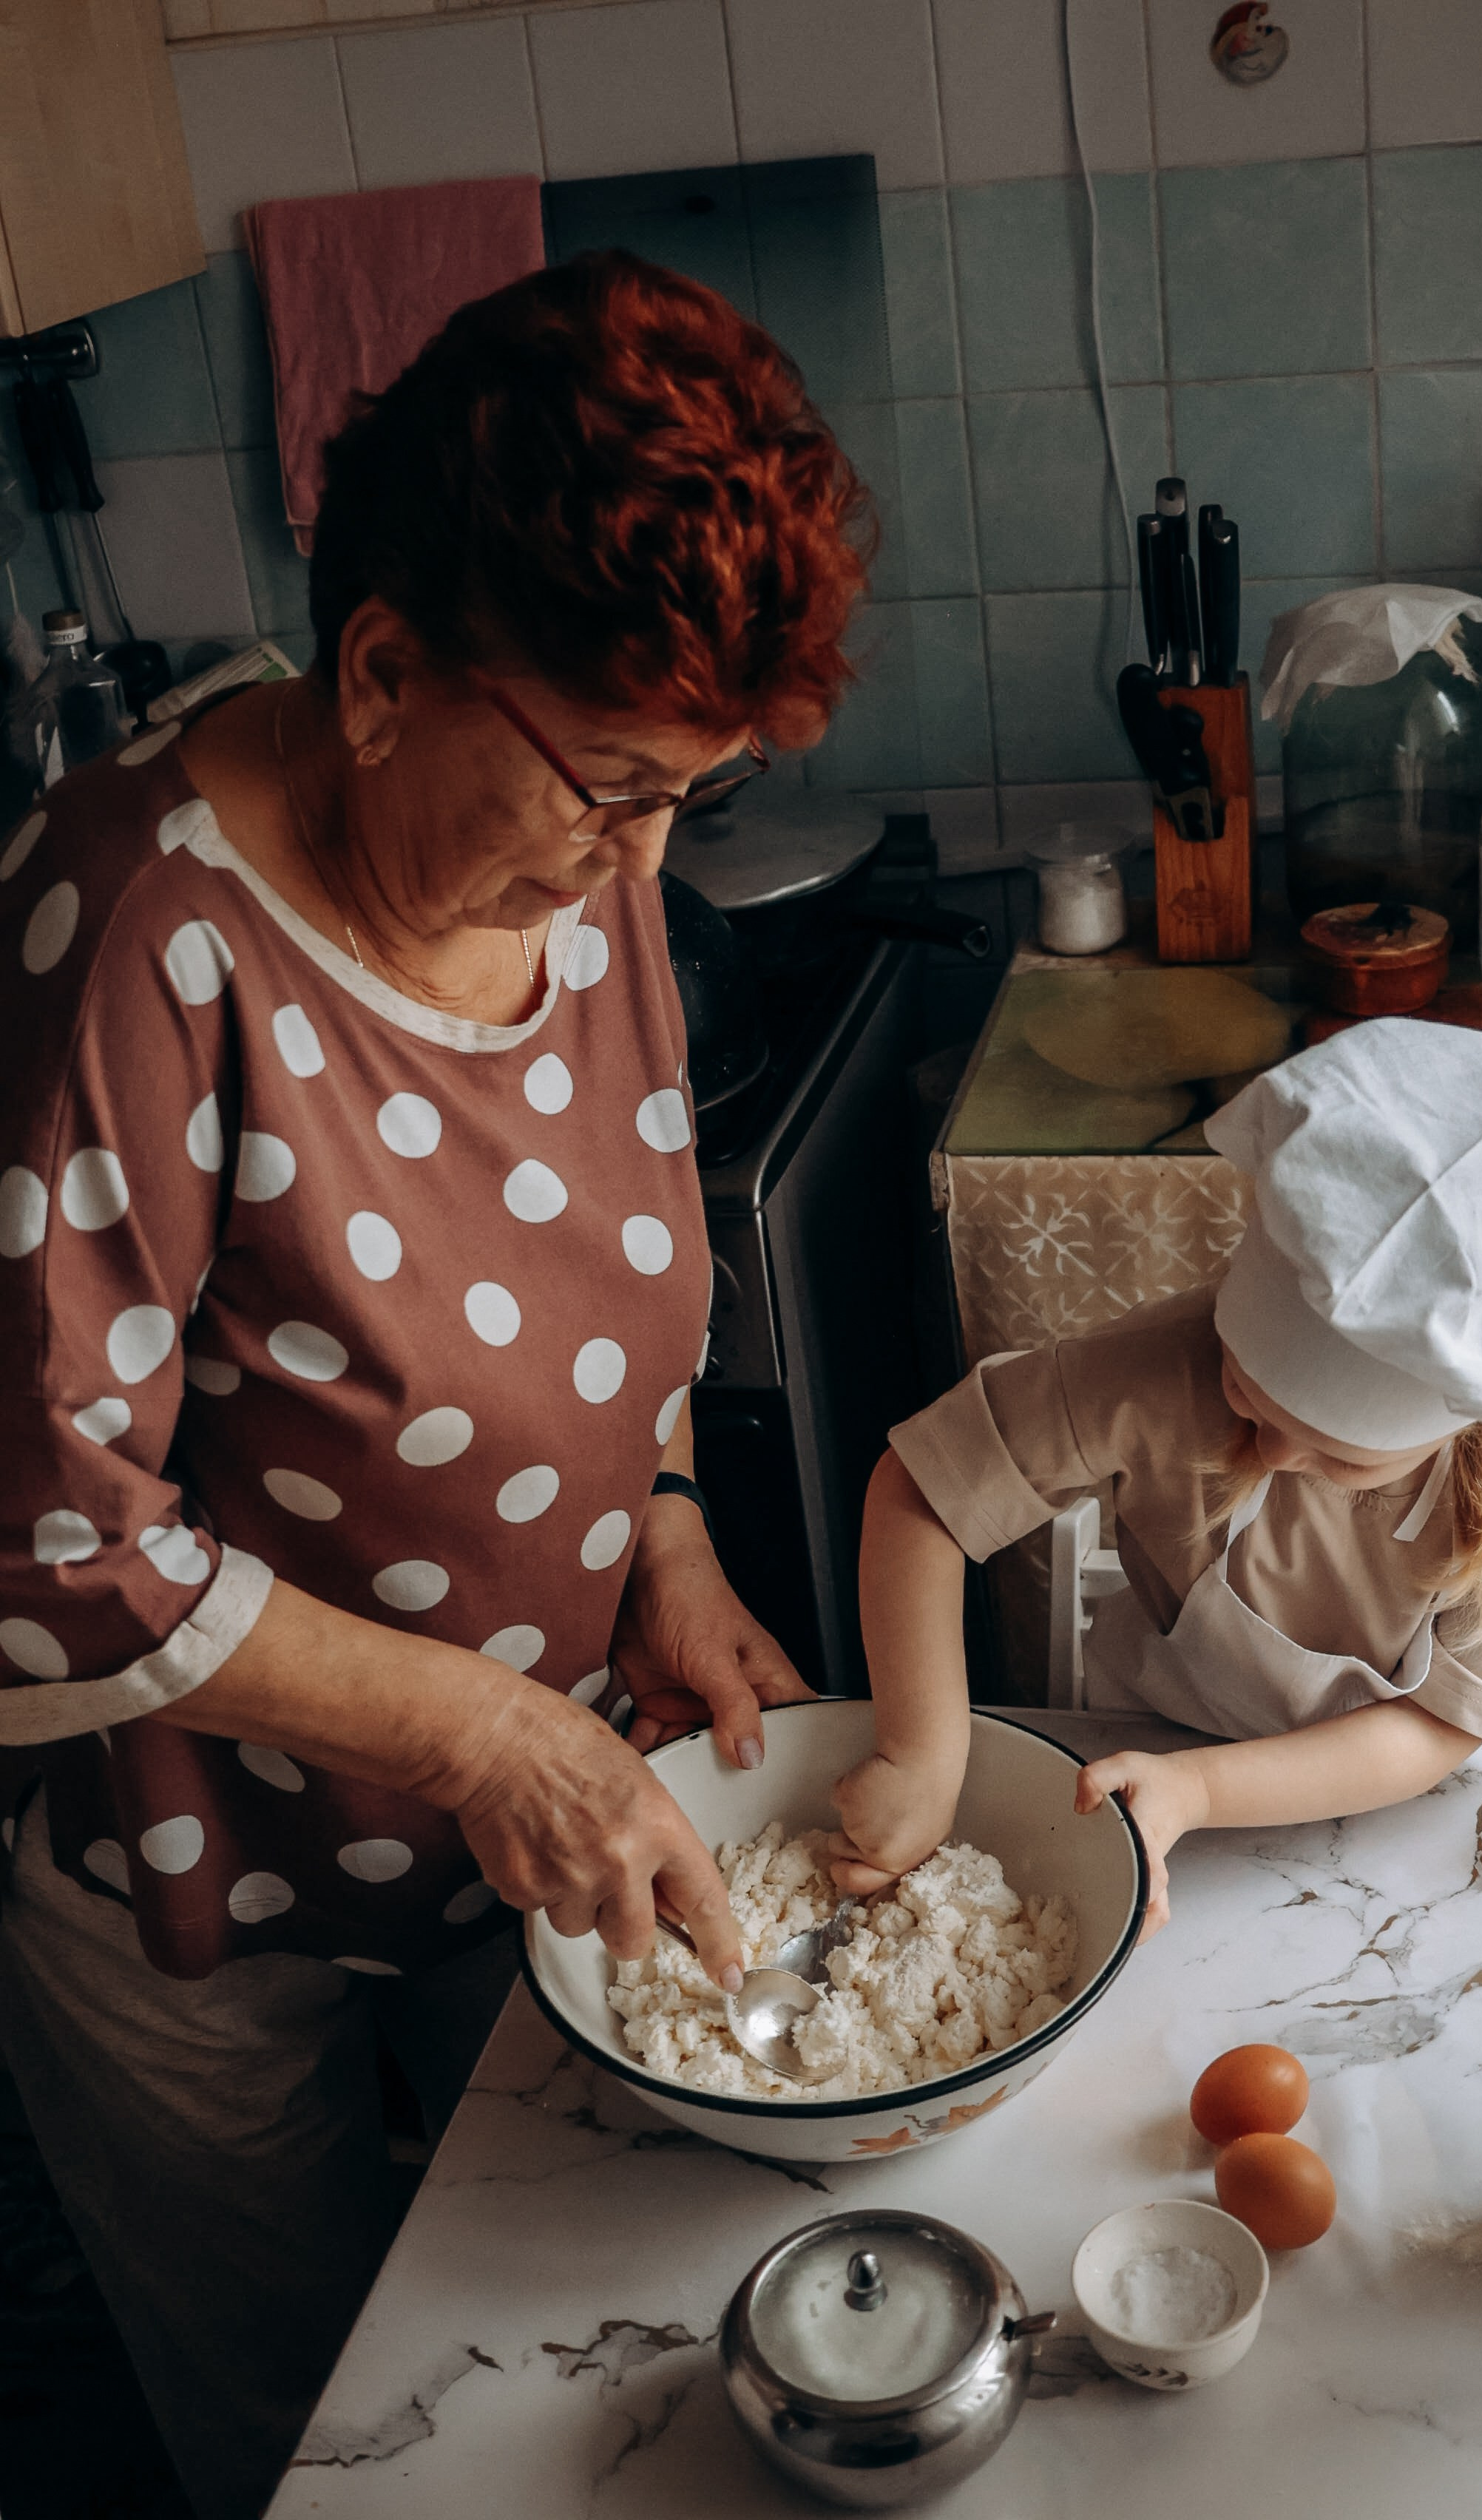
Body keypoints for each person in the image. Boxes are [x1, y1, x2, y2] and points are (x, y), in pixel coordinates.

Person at [0, 251, 869, 2519]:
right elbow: (43, 1534)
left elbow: (604, 1269)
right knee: (342, 2458)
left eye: (688, 793)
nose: (644, 860)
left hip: (528, 1845)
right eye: (619, 787)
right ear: (383, 673)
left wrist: (660, 1529)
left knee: (583, 2406)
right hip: (218, 1886)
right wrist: (486, 1731)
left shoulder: (579, 854)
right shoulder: (143, 929)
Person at [828, 1020, 1482, 1934]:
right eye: (1243, 1394)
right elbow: (923, 1491)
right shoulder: (1162, 1367)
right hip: (1164, 1745)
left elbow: (1439, 1726)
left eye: (1340, 1455)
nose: (1273, 1455)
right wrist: (920, 1752)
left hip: (1421, 1813)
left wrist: (1201, 1791)